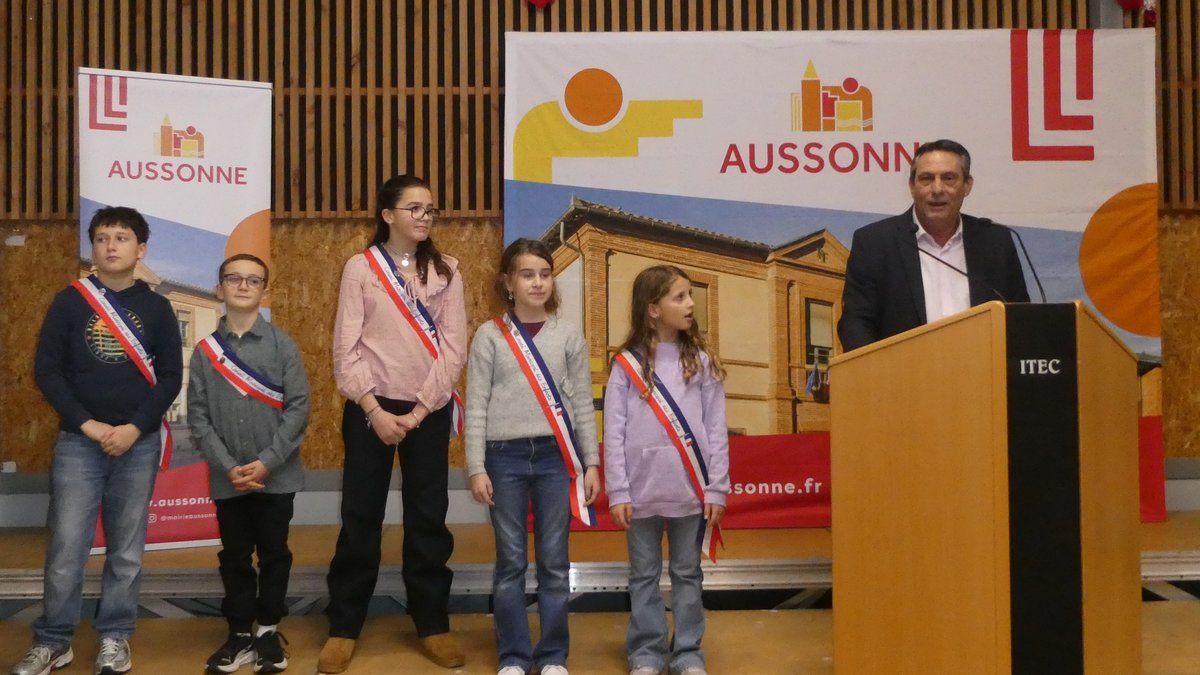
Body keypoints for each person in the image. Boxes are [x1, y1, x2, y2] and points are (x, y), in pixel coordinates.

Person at [13, 206, 183, 675]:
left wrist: (134, 428)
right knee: (66, 547)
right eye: (102, 237)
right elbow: (47, 371)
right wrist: (88, 425)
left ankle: (114, 636)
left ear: (140, 249)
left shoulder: (158, 308)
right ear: (93, 247)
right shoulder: (70, 302)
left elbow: (170, 377)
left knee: (126, 550)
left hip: (137, 443)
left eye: (122, 237)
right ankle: (53, 641)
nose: (111, 245)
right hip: (78, 443)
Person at [320, 175, 468, 673]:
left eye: (430, 209)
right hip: (370, 409)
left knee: (428, 516)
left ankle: (432, 623)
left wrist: (423, 410)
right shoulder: (359, 269)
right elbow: (346, 348)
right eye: (414, 208)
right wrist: (374, 410)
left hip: (428, 408)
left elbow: (454, 349)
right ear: (387, 214)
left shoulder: (448, 270)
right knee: (360, 516)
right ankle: (343, 626)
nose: (425, 216)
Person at [466, 239, 601, 675]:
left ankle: (553, 655)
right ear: (508, 282)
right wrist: (475, 466)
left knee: (554, 561)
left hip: (554, 458)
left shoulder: (568, 334)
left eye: (544, 273)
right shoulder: (489, 335)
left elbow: (582, 402)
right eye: (527, 274)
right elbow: (476, 403)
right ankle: (514, 655)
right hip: (502, 458)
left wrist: (592, 462)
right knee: (510, 561)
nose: (538, 282)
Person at [603, 265, 730, 675]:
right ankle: (646, 652)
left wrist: (717, 489)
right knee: (643, 576)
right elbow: (615, 431)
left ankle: (688, 652)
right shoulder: (625, 366)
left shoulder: (703, 363)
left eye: (690, 295)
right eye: (679, 297)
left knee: (688, 575)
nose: (691, 304)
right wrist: (619, 490)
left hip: (690, 493)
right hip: (640, 495)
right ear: (653, 309)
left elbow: (716, 430)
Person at [187, 254, 310, 674]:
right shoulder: (205, 352)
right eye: (234, 279)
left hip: (276, 477)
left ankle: (269, 630)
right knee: (235, 556)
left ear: (264, 290)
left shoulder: (283, 344)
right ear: (220, 288)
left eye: (253, 280)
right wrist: (228, 466)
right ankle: (239, 633)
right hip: (228, 480)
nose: (243, 286)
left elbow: (298, 408)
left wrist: (267, 462)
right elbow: (198, 417)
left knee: (275, 554)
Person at [837, 139, 1031, 352]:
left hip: (983, 375)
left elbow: (1020, 319)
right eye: (926, 179)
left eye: (949, 178)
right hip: (902, 377)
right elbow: (856, 323)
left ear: (967, 186)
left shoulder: (995, 242)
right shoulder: (875, 242)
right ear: (912, 186)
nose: (937, 189)